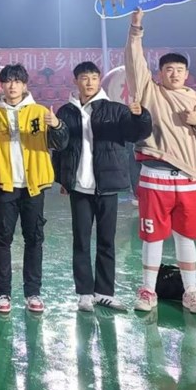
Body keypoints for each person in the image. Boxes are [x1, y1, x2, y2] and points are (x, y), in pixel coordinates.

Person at [125, 8, 196, 314]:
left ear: (187, 74)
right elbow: (134, 63)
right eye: (169, 69)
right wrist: (135, 29)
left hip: (189, 180)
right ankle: (148, 291)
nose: (175, 74)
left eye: (180, 69)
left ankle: (191, 292)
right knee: (153, 237)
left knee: (186, 237)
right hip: (155, 176)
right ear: (160, 73)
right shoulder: (150, 93)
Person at [53, 61, 153, 312]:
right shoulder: (66, 111)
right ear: (76, 81)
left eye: (93, 78)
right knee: (81, 241)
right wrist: (63, 179)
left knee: (107, 240)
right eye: (84, 78)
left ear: (99, 81)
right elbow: (60, 149)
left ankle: (104, 292)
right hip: (79, 187)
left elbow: (136, 134)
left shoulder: (116, 110)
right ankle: (84, 293)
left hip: (106, 185)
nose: (89, 82)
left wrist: (140, 116)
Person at [0, 63, 68, 314]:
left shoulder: (40, 112)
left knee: (34, 239)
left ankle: (33, 292)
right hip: (4, 186)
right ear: (1, 85)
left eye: (17, 81)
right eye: (8, 81)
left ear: (25, 85)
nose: (12, 86)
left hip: (33, 187)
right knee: (2, 240)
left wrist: (57, 125)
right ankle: (3, 293)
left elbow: (61, 144)